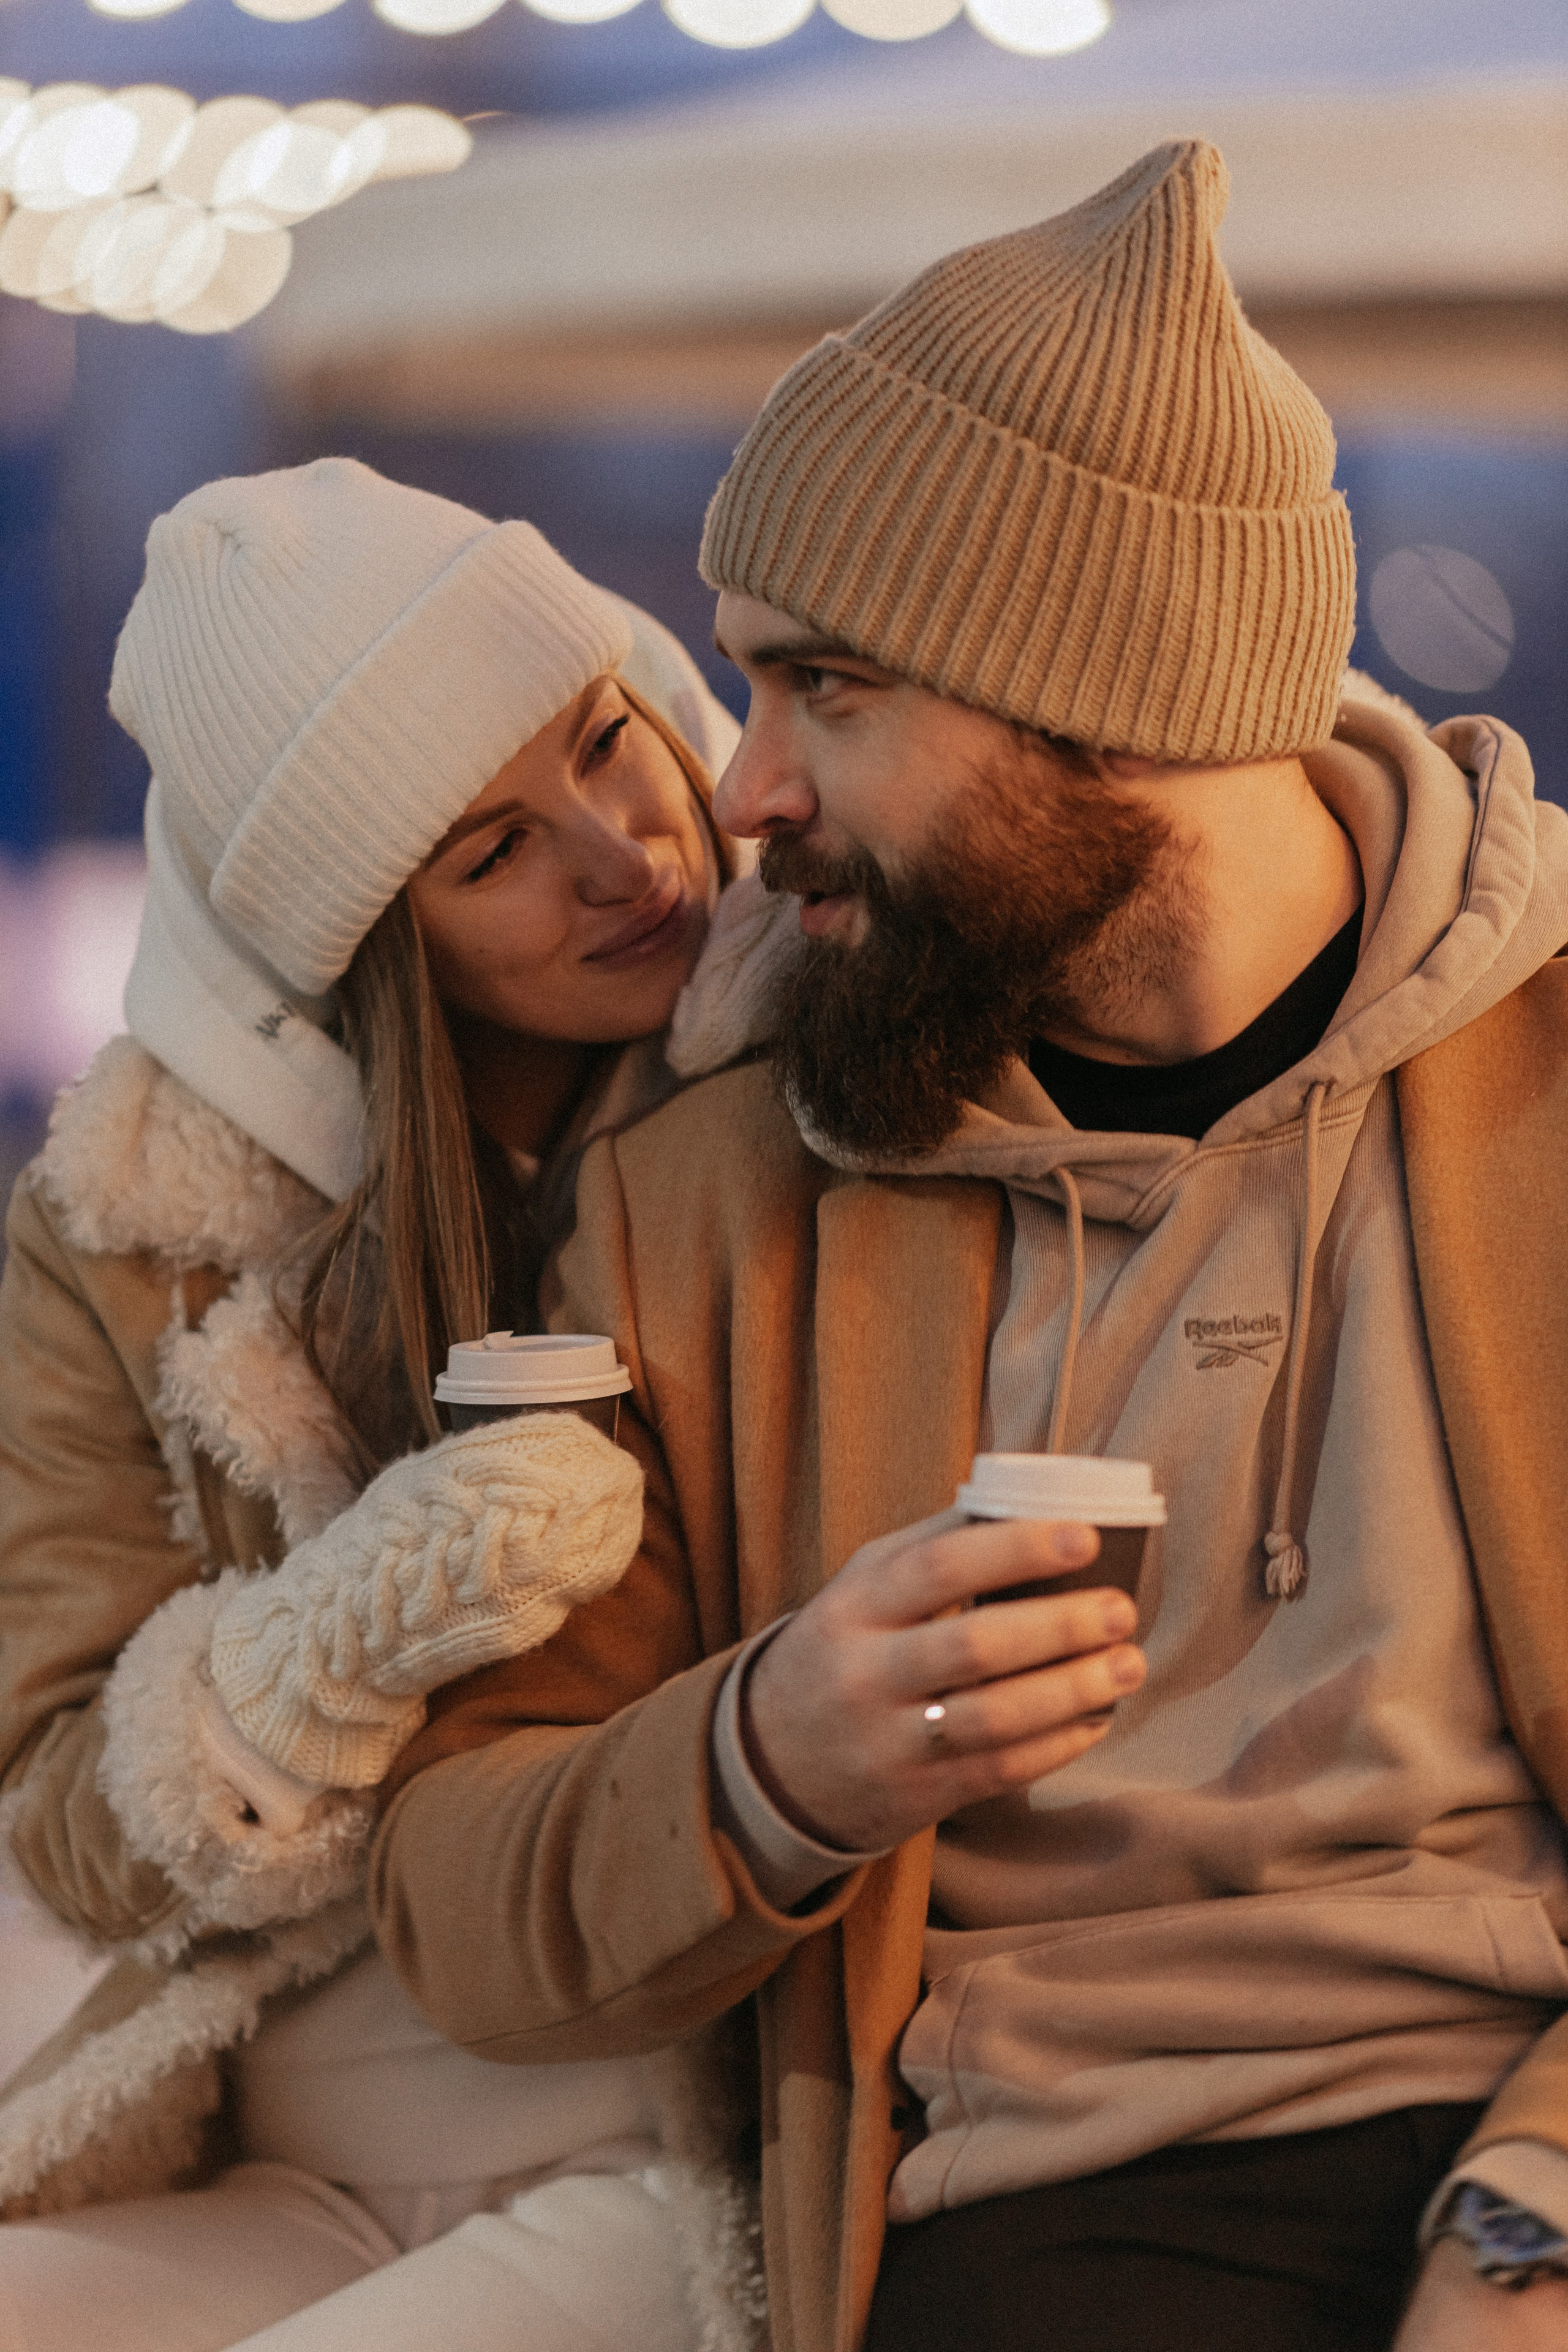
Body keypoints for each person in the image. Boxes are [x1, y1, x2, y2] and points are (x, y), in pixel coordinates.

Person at [364, 141, 1568, 2352]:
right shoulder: (708, 1200)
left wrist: (1529, 2231)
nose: (739, 795)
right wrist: (776, 1757)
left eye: (825, 687)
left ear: (1110, 703)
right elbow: (459, 1893)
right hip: (1082, 2199)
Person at [0, 458, 765, 2351]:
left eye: (606, 738)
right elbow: (55, 1804)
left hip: (683, 2116)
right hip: (281, 2132)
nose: (623, 853)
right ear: (361, 948)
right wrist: (307, 1665)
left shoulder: (820, 1091)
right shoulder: (125, 1224)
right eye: (490, 850)